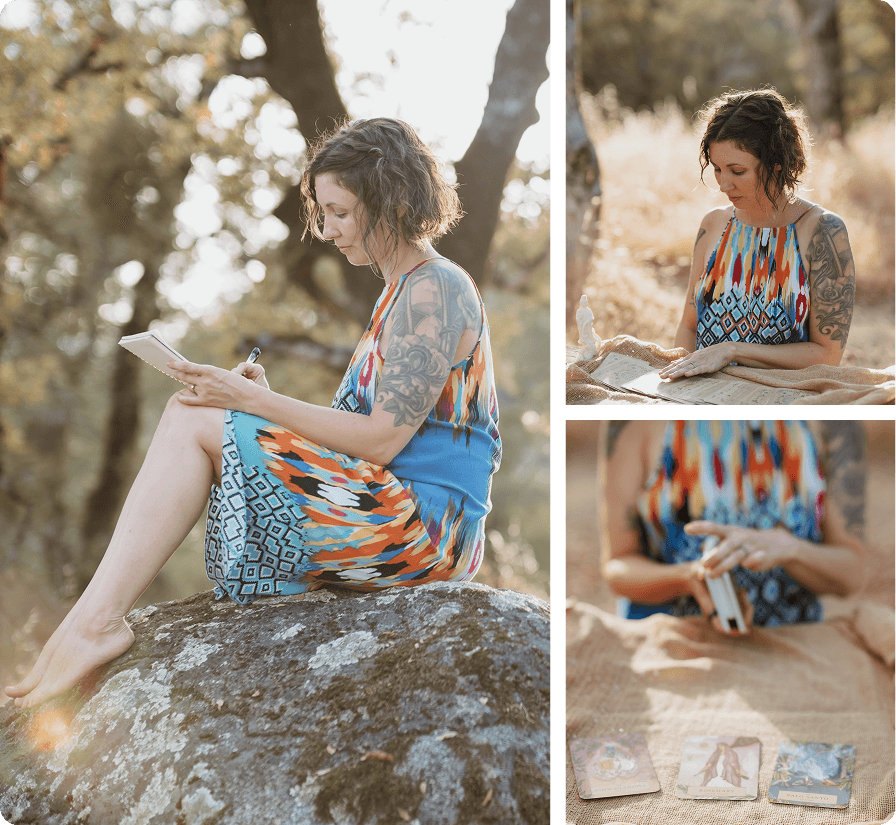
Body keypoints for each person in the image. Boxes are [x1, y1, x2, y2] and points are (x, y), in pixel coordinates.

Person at [5, 117, 502, 709]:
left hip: (424, 531)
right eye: (324, 212)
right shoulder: (399, 292)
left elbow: (379, 441)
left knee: (196, 419)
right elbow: (368, 439)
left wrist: (253, 403)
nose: (327, 230)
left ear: (388, 199)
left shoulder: (435, 289)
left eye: (339, 211)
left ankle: (92, 624)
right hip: (388, 506)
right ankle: (85, 621)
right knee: (190, 406)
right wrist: (263, 403)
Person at [659, 89, 856, 382]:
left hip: (779, 400)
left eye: (737, 171)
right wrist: (684, 387)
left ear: (776, 162)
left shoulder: (822, 231)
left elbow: (827, 355)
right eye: (717, 169)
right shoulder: (713, 225)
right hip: (702, 398)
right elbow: (688, 328)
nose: (724, 184)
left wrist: (733, 351)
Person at [601, 420, 867, 635]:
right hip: (670, 643)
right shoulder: (631, 420)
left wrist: (792, 550)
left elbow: (852, 573)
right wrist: (688, 577)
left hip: (790, 653)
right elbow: (619, 564)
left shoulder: (836, 423)